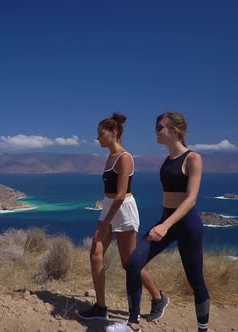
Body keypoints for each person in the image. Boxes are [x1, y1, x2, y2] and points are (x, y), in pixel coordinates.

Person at [105, 112, 210, 332]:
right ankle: (133, 324)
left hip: (186, 224)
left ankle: (203, 328)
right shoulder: (167, 160)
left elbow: (191, 199)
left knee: (195, 280)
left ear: (175, 131)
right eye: (157, 127)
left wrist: (165, 225)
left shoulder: (193, 158)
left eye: (160, 127)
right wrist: (164, 223)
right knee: (133, 263)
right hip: (166, 219)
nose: (156, 131)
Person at [78, 112, 169, 323]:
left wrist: (105, 221)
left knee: (129, 262)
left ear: (114, 132)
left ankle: (158, 298)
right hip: (110, 207)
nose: (97, 138)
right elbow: (111, 196)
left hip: (123, 210)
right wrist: (105, 217)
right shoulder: (110, 157)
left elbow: (120, 195)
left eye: (101, 134)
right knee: (95, 252)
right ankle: (100, 307)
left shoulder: (125, 158)